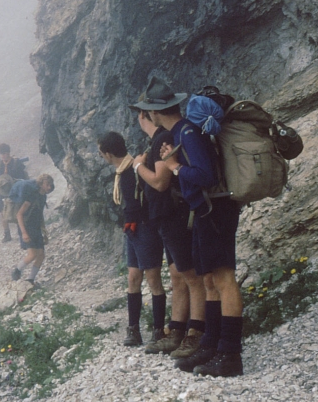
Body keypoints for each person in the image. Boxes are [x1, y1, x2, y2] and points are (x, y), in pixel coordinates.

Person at [135, 76, 245, 377]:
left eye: (148, 111)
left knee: (224, 280)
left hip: (215, 210)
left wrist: (175, 167)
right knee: (209, 281)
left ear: (155, 112)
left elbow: (206, 175)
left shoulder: (188, 132)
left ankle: (231, 354)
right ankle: (210, 344)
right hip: (204, 212)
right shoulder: (182, 132)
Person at [129, 107, 211, 359]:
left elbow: (159, 181)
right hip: (166, 217)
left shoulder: (163, 138)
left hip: (174, 215)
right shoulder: (158, 139)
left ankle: (195, 333)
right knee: (178, 275)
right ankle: (177, 330)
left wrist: (138, 166)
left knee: (191, 275)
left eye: (139, 114)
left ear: (146, 114)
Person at [98, 132, 166, 347]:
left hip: (143, 228)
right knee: (133, 277)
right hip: (133, 230)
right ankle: (134, 330)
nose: (102, 156)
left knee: (154, 279)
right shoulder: (126, 169)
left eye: (101, 153)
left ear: (108, 154)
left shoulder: (133, 170)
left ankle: (158, 332)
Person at [10, 174, 54, 287]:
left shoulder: (43, 197)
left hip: (36, 228)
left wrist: (44, 232)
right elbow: (19, 215)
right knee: (33, 254)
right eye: (47, 184)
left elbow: (40, 215)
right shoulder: (31, 196)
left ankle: (30, 280)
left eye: (50, 185)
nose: (49, 187)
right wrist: (24, 232)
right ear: (41, 184)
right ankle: (17, 271)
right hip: (27, 227)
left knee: (41, 255)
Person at [0, 143, 28, 242]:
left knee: (17, 210)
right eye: (1, 154)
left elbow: (22, 178)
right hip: (3, 190)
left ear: (8, 153)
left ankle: (21, 232)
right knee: (2, 211)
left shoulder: (15, 163)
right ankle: (7, 234)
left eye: (4, 153)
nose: (3, 156)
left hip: (15, 189)